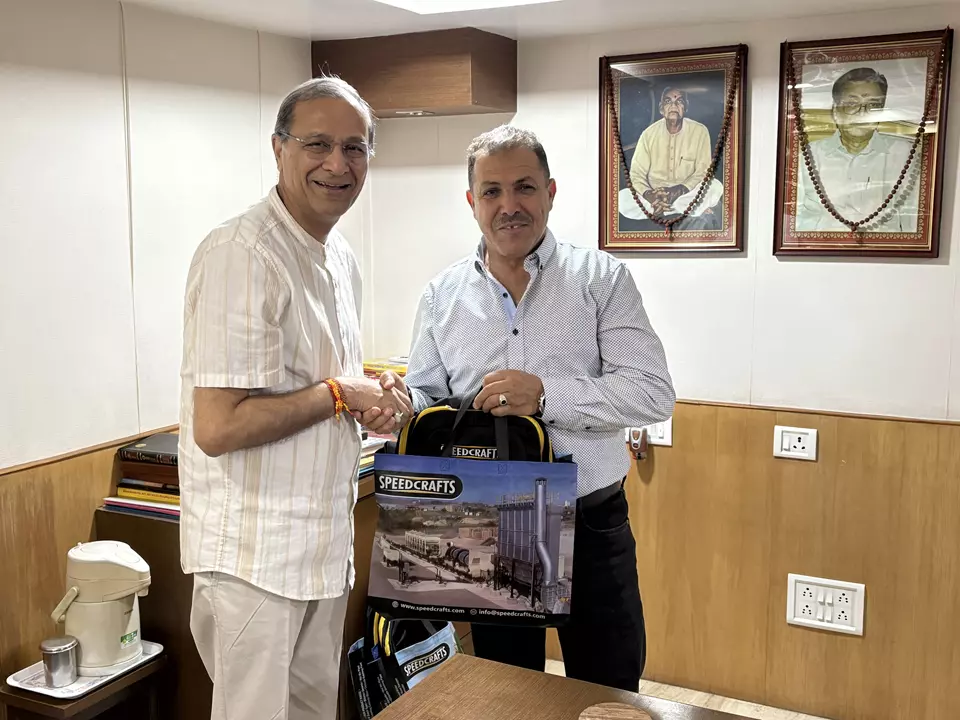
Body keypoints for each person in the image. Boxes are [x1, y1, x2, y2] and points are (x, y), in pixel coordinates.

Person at [387, 124, 675, 691]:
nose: (509, 205)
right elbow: (425, 394)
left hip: (591, 521)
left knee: (609, 689)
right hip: (484, 523)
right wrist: (397, 404)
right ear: (472, 202)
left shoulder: (602, 280)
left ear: (550, 192)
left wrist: (545, 396)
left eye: (524, 187)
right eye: (491, 191)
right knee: (505, 691)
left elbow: (651, 391)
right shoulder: (442, 295)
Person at [178, 77, 412, 720]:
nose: (338, 164)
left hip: (322, 544)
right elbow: (218, 426)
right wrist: (339, 393)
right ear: (278, 149)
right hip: (253, 559)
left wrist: (371, 395)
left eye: (355, 147)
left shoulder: (340, 258)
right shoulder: (242, 252)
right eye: (317, 144)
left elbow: (322, 382)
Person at [796, 67, 919, 233]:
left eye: (873, 105)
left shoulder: (906, 155)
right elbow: (795, 220)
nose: (863, 113)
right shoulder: (807, 156)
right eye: (852, 104)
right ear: (835, 111)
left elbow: (914, 222)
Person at [621, 86, 722, 230]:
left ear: (686, 107)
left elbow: (703, 171)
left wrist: (679, 190)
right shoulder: (648, 134)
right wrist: (649, 194)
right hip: (654, 195)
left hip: (685, 194)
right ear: (661, 108)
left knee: (715, 186)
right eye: (668, 101)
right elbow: (637, 174)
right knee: (622, 198)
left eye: (679, 101)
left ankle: (664, 208)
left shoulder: (700, 131)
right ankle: (671, 206)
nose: (674, 105)